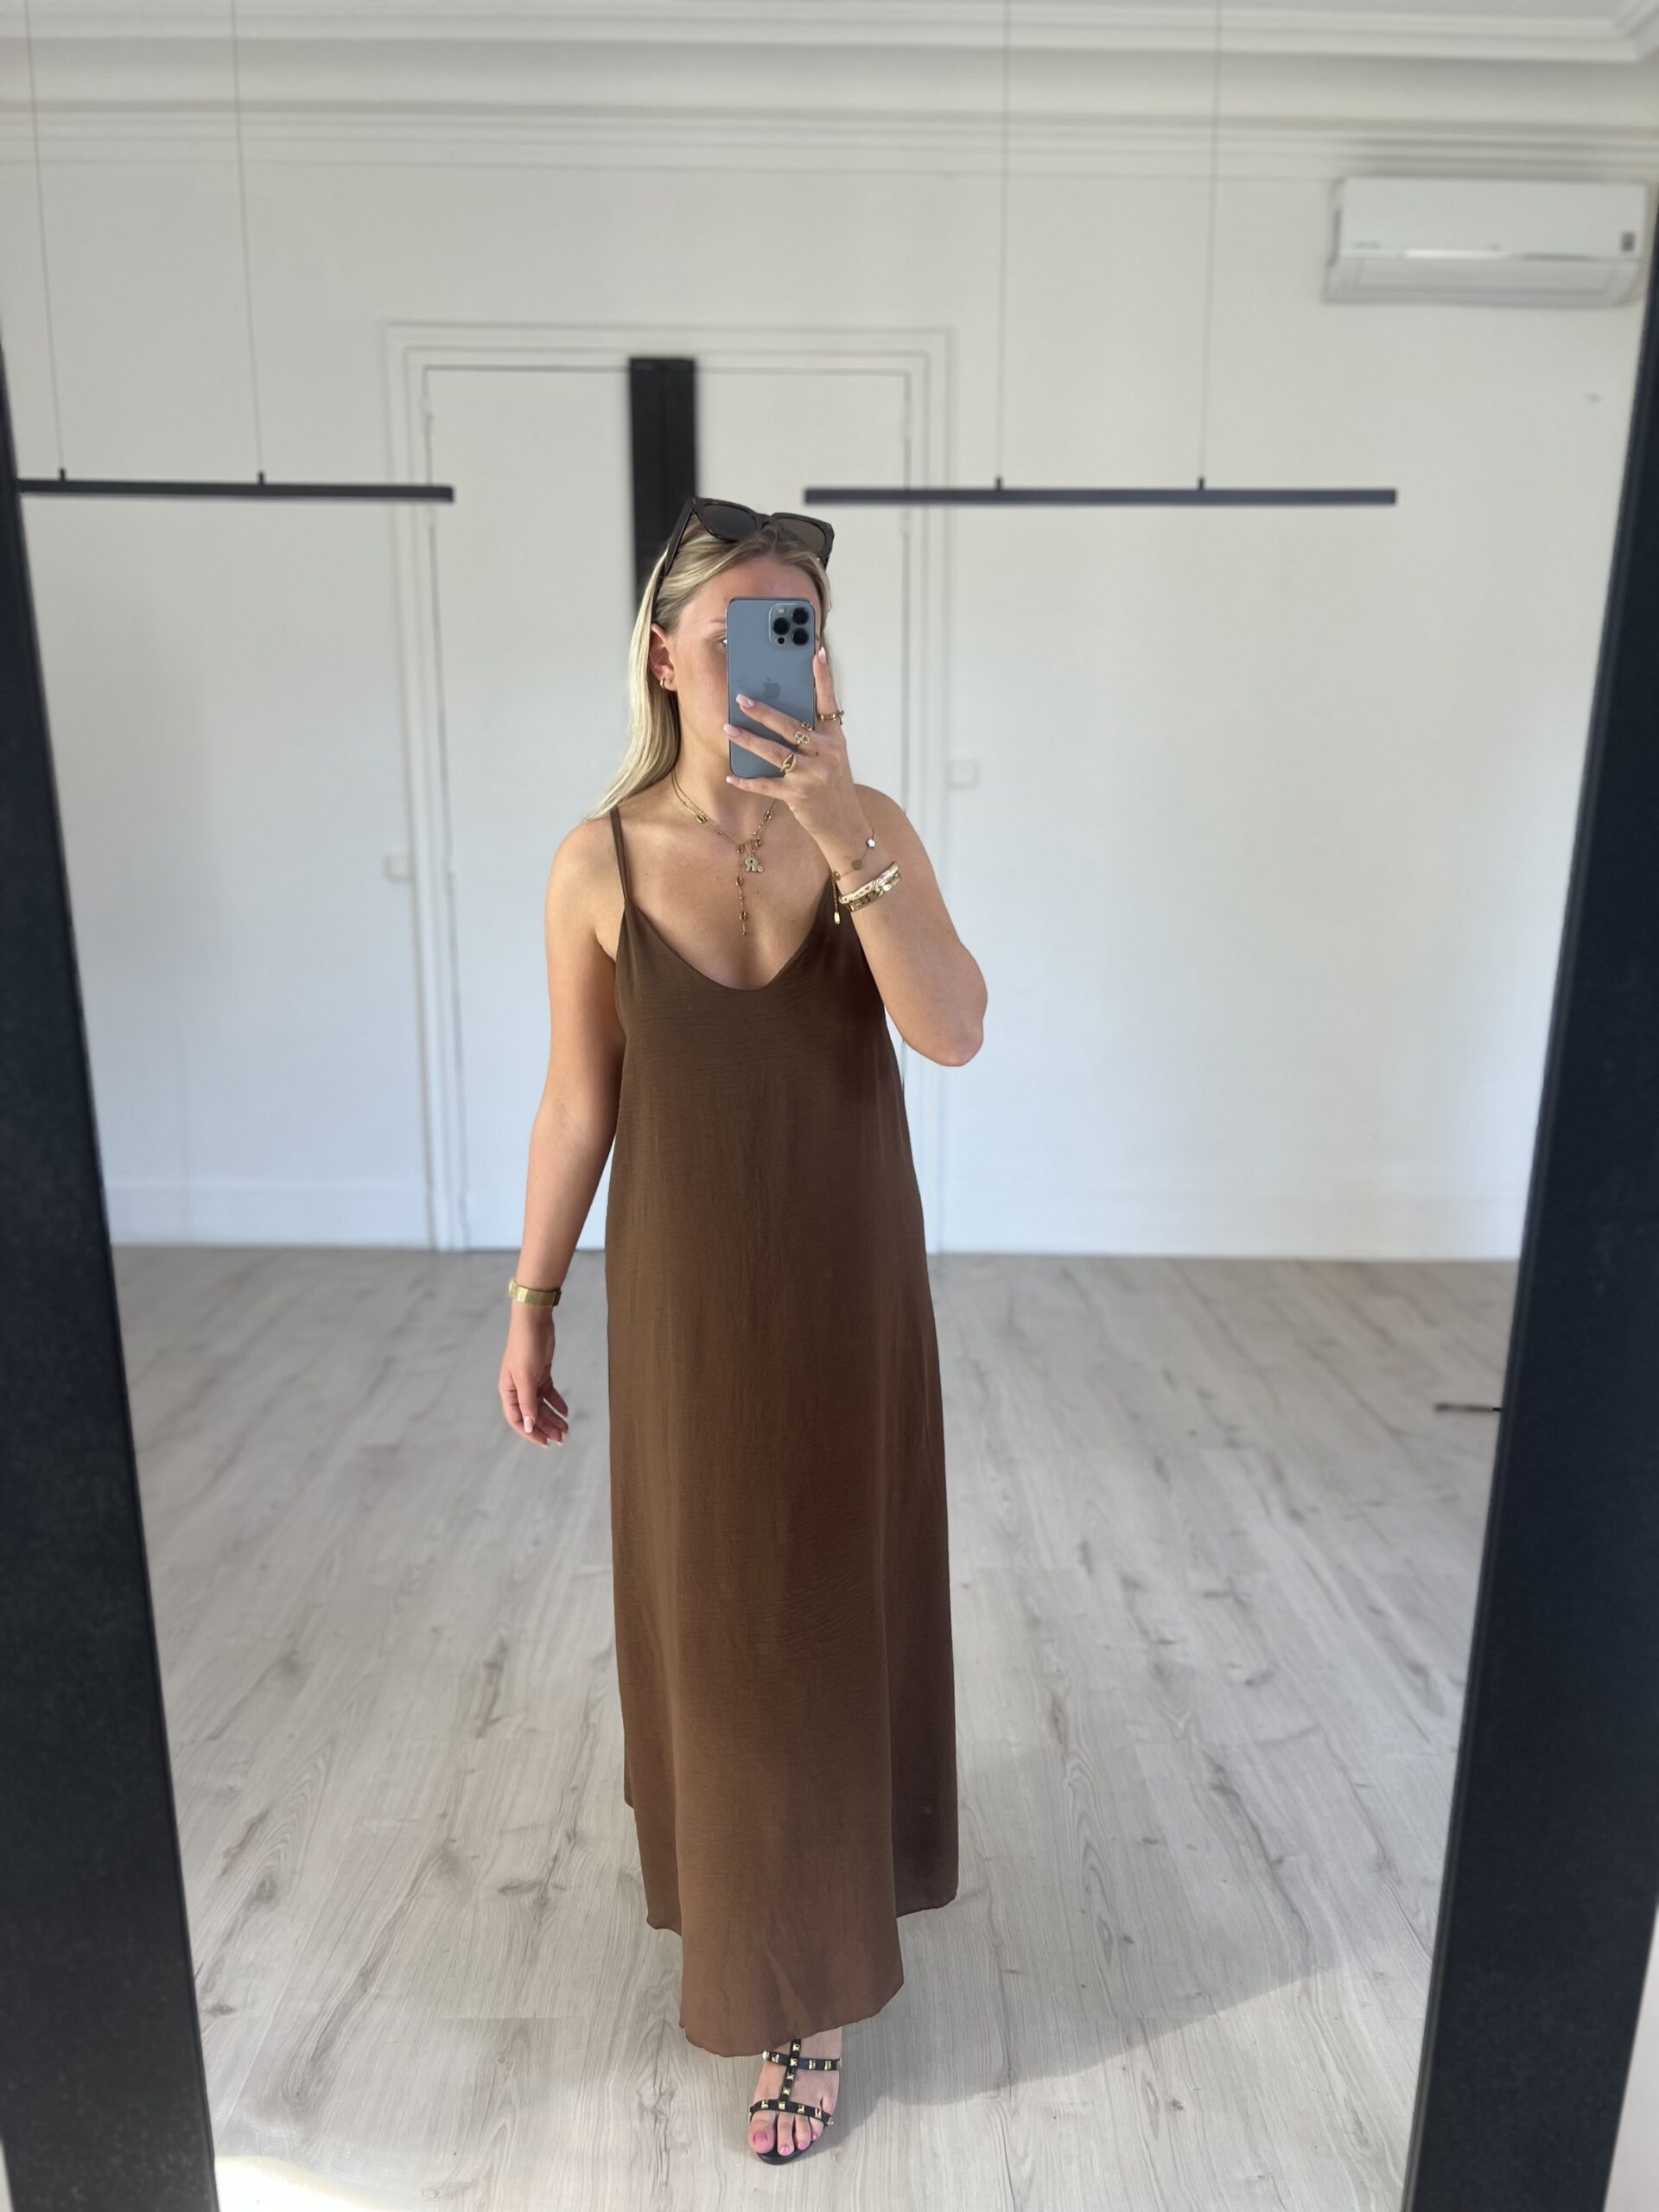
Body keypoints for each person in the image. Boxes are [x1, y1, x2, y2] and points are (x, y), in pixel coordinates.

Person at [499, 497, 986, 2161]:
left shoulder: (869, 825)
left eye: (803, 632)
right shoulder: (599, 860)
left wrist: (845, 829)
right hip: (688, 1308)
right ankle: (761, 1924)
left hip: (852, 1288)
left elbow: (953, 1030)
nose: (782, 661)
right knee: (719, 1621)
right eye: (741, 635)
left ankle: (809, 1984)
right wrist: (532, 1297)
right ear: (665, 655)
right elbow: (578, 1104)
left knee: (834, 1604)